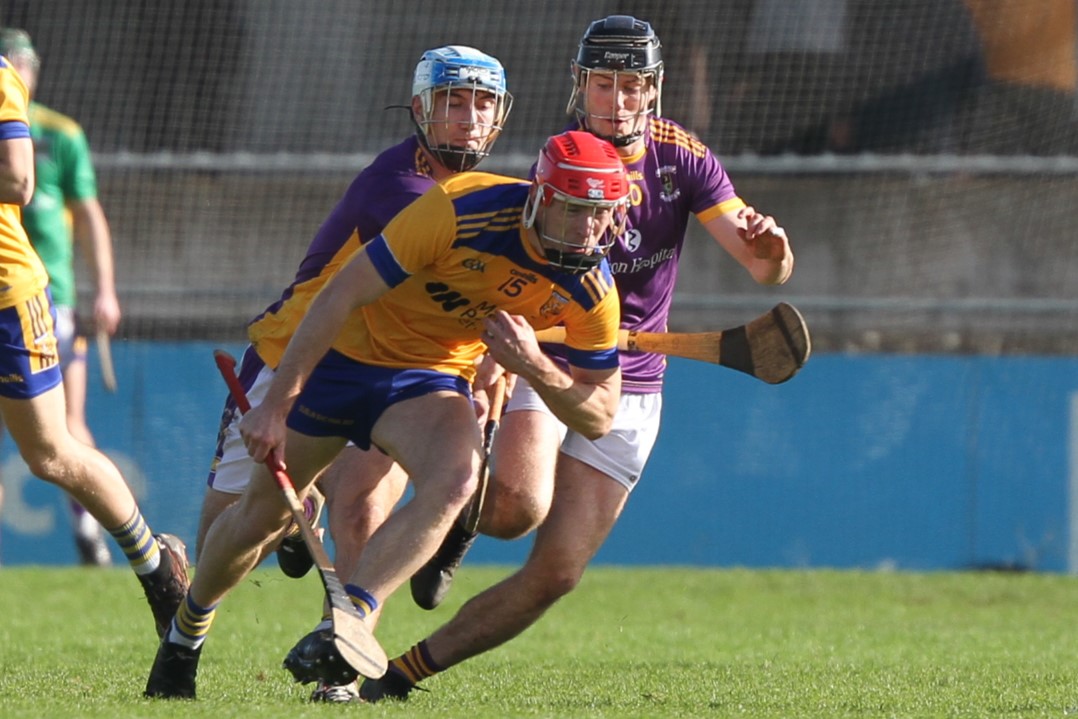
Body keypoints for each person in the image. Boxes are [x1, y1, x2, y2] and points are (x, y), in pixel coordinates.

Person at [359, 15, 795, 703]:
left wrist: (774, 256)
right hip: (552, 353)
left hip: (634, 384)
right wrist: (502, 360)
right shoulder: (563, 159)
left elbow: (761, 264)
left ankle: (400, 675)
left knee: (556, 573)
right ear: (579, 86)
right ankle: (444, 523)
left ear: (653, 90)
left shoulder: (682, 158)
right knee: (515, 506)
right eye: (603, 84)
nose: (616, 102)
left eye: (631, 86)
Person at [143, 128, 632, 701]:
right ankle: (186, 634)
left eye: (601, 213)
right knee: (260, 518)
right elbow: (340, 293)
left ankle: (350, 622)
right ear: (540, 198)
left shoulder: (592, 288)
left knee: (456, 480)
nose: (590, 228)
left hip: (428, 379)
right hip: (346, 357)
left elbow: (599, 413)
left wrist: (535, 366)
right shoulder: (461, 209)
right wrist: (275, 405)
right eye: (576, 211)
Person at [188, 45, 514, 702]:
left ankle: (343, 658)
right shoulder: (397, 187)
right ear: (422, 108)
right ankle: (189, 624)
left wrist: (490, 365)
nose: (468, 117)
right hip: (293, 360)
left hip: (390, 368)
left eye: (482, 103)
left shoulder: (482, 197)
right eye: (454, 101)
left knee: (365, 504)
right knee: (228, 537)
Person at [0, 30, 188, 633]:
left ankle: (157, 569)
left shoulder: (5, 82)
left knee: (52, 451)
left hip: (14, 296)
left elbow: (18, 182)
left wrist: (103, 290)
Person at [0, 29, 123, 566]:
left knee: (65, 429)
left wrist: (107, 290)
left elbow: (89, 214)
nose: (22, 71)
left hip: (45, 295)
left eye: (24, 62)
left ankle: (93, 536)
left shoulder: (59, 132)